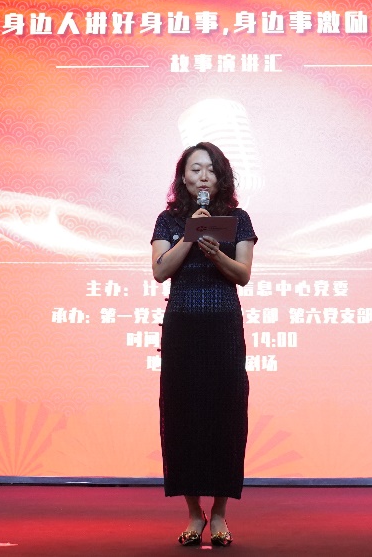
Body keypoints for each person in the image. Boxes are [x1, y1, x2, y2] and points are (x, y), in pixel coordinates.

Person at [150, 141, 257, 548]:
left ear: (221, 176)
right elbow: (160, 271)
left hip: (223, 328)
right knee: (184, 416)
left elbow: (242, 274)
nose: (203, 177)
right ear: (183, 177)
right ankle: (194, 513)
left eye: (210, 170)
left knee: (225, 416)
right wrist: (190, 237)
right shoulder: (167, 220)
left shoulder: (238, 219)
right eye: (195, 170)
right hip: (182, 330)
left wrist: (216, 255)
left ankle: (221, 514)